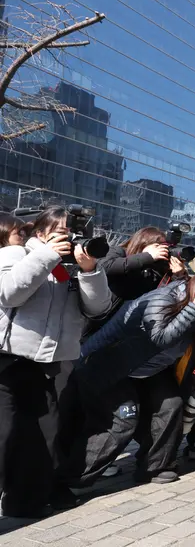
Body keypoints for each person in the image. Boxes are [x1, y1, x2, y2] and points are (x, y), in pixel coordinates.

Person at [0, 207, 111, 517]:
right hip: (7, 358)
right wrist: (46, 255)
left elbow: (98, 308)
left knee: (47, 434)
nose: (69, 239)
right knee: (5, 433)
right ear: (40, 233)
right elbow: (8, 293)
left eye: (72, 233)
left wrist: (89, 270)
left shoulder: (73, 265)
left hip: (46, 364)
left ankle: (24, 503)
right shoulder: (17, 254)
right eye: (62, 232)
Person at [60, 275, 195, 488]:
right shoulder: (163, 299)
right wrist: (194, 309)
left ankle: (156, 466)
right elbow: (160, 337)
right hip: (107, 364)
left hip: (148, 368)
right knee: (123, 420)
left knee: (171, 405)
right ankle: (69, 481)